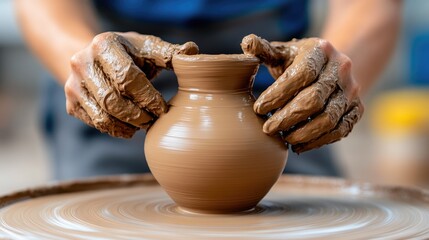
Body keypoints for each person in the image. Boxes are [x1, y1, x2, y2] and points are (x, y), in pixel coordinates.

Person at [15, 0, 402, 180]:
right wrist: (82, 55)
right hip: (121, 64)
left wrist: (332, 68)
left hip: (274, 80)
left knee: (322, 213)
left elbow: (371, 7)